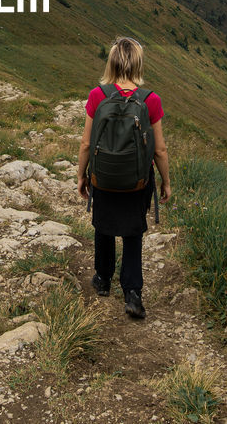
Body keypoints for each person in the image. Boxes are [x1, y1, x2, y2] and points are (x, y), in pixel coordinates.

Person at [77, 36, 171, 319]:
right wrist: (166, 181)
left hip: (103, 177)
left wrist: (81, 175)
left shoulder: (98, 96)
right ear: (138, 63)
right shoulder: (150, 100)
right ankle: (132, 292)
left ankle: (103, 279)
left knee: (103, 224)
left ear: (112, 62)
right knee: (133, 232)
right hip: (137, 181)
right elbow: (160, 149)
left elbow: (85, 144)